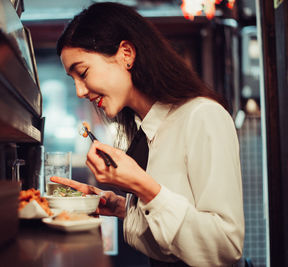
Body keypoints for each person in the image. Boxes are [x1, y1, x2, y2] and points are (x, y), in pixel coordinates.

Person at [51, 2, 245, 266]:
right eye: (73, 80)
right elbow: (176, 213)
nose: (80, 92)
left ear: (126, 54)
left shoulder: (202, 116)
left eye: (83, 73)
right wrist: (120, 206)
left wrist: (142, 186)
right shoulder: (145, 127)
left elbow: (225, 247)